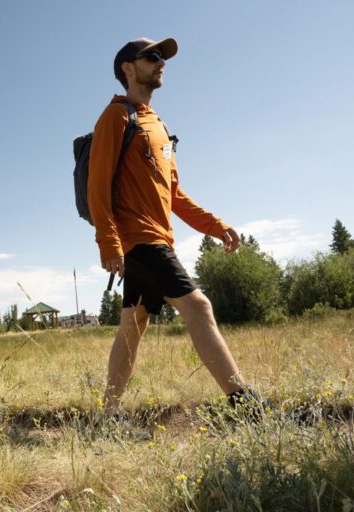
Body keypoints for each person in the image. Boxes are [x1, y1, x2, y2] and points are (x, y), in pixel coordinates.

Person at [88, 37, 261, 414]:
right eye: (152, 56)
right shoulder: (116, 117)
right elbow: (96, 186)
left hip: (157, 236)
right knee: (198, 306)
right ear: (128, 69)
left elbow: (175, 195)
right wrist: (109, 242)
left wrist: (216, 226)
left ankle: (108, 413)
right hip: (138, 238)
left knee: (133, 325)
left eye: (162, 57)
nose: (160, 62)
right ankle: (244, 405)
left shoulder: (160, 127)